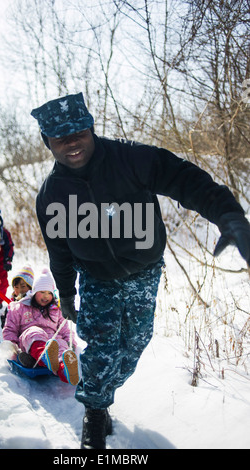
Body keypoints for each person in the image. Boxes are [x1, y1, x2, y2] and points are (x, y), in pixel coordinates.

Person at [31, 92, 250, 449]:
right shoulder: (52, 195)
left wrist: (228, 215)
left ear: (91, 128)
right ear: (48, 142)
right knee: (102, 351)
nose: (72, 144)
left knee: (134, 345)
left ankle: (101, 392)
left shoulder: (131, 158)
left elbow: (186, 180)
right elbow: (60, 253)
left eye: (79, 133)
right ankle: (96, 411)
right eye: (61, 138)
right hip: (98, 280)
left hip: (143, 273)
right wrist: (67, 294)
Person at [2, 267, 79, 385]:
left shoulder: (57, 310)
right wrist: (13, 348)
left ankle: (65, 371)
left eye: (49, 293)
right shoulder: (20, 307)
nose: (46, 296)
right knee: (34, 332)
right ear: (34, 292)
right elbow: (10, 329)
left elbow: (64, 331)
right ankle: (44, 358)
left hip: (52, 341)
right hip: (29, 341)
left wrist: (71, 344)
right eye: (42, 292)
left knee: (60, 344)